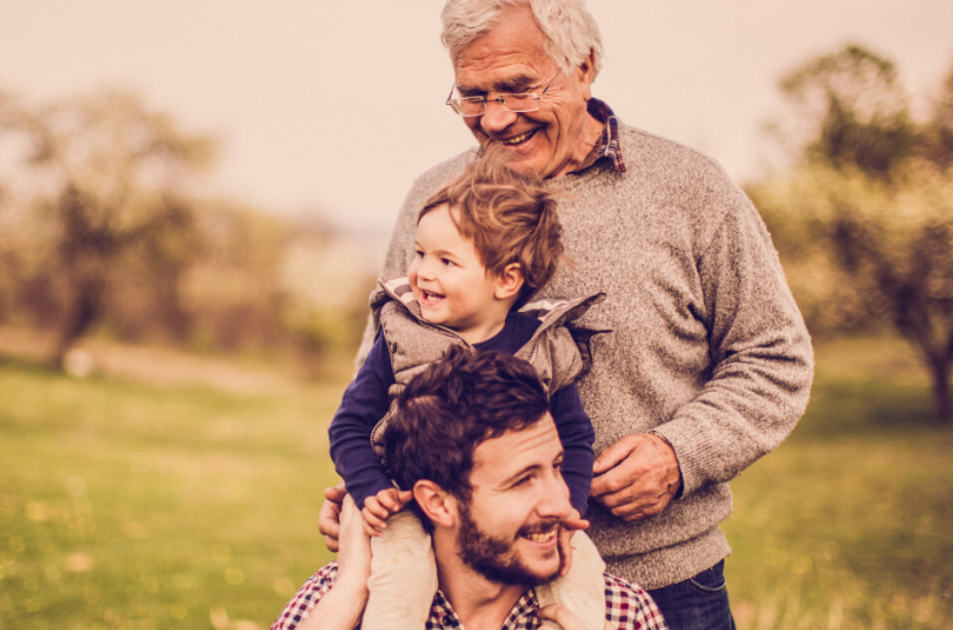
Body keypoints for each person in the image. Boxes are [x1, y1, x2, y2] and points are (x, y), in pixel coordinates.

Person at [319, 1, 816, 628]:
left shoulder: (691, 191)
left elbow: (775, 357)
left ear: (584, 67)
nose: (495, 118)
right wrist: (368, 484)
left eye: (518, 88)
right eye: (474, 95)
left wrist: (679, 454)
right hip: (460, 592)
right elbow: (386, 371)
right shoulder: (434, 201)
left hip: (662, 579)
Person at [327, 150, 609, 630]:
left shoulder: (540, 346)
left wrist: (569, 508)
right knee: (401, 577)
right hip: (407, 505)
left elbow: (575, 438)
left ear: (506, 279)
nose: (422, 273)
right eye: (419, 254)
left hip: (516, 524)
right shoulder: (401, 335)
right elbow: (350, 424)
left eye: (446, 261)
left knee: (581, 568)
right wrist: (369, 488)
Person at [278, 348, 667, 630]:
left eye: (557, 467)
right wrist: (348, 594)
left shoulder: (621, 613)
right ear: (438, 502)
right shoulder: (338, 604)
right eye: (522, 480)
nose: (561, 503)